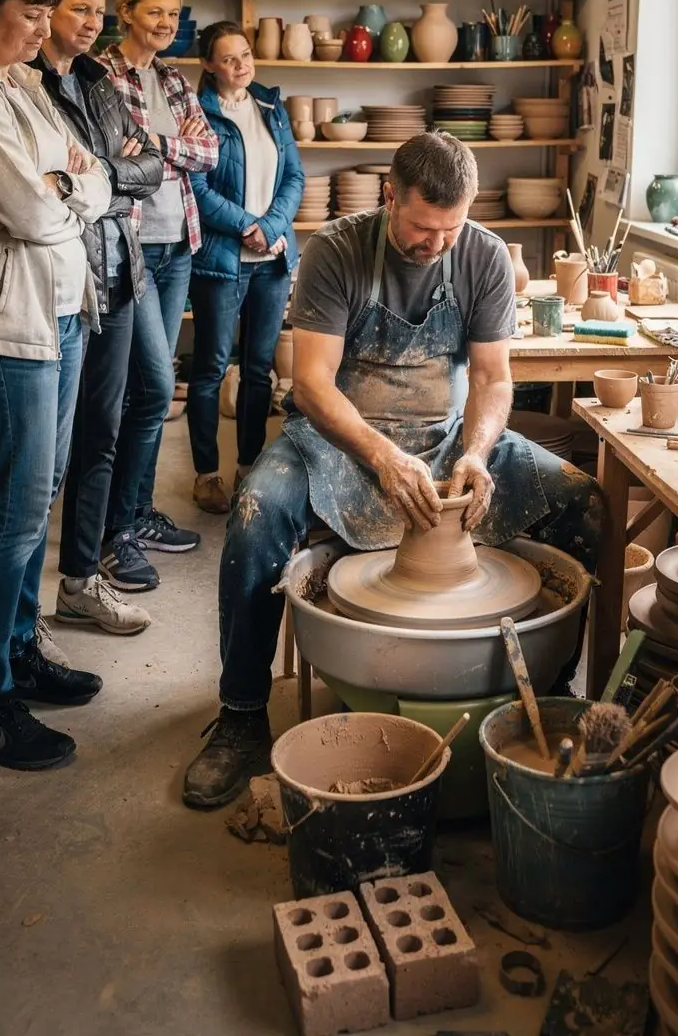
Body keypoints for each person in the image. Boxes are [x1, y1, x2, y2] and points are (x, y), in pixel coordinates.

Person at [183, 132, 607, 808]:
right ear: (389, 198)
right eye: (421, 227)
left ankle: (550, 700)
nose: (437, 242)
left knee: (584, 500)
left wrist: (475, 450)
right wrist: (381, 455)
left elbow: (497, 379)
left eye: (451, 228)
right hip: (340, 440)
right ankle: (239, 716)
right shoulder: (337, 249)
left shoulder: (485, 256)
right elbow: (314, 384)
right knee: (255, 513)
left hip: (446, 439)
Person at [0, 0, 112, 771]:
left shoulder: (24, 83)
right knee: (15, 509)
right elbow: (30, 208)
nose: (42, 29)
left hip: (63, 312)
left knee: (41, 495)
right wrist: (65, 187)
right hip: (7, 326)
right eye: (30, 13)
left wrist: (69, 184)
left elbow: (91, 179)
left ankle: (19, 650)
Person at [32, 0, 164, 632]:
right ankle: (18, 619)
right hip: (59, 283)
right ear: (44, 9)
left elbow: (153, 164)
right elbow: (45, 185)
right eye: (77, 9)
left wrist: (99, 177)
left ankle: (81, 578)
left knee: (102, 435)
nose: (90, 23)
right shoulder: (24, 86)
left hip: (117, 271)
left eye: (96, 11)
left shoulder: (99, 82)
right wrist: (107, 181)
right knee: (43, 464)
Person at [97, 0, 218, 589]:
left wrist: (155, 145)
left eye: (174, 14)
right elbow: (116, 158)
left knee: (154, 386)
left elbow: (210, 154)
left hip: (179, 245)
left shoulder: (173, 76)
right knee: (147, 390)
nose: (168, 24)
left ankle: (138, 514)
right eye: (156, 12)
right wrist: (169, 145)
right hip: (131, 249)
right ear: (125, 10)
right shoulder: (102, 74)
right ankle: (115, 532)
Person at [187, 21, 304, 514]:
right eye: (229, 58)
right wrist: (245, 226)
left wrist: (271, 226)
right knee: (212, 368)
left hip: (272, 259)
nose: (242, 65)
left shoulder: (271, 107)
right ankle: (207, 473)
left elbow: (295, 175)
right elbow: (194, 186)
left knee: (260, 371)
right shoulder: (197, 113)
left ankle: (249, 467)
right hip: (223, 260)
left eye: (247, 54)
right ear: (210, 65)